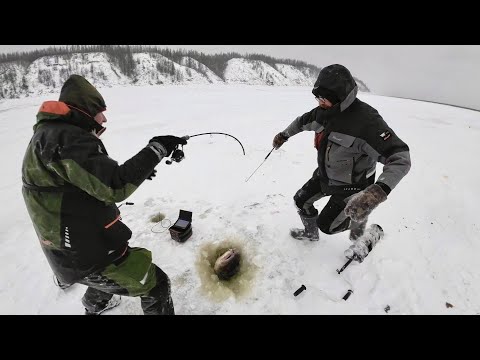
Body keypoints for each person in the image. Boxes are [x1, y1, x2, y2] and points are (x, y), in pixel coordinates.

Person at [22, 74, 187, 315]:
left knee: (105, 275)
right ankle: (96, 304)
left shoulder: (49, 135)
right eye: (100, 110)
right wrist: (157, 148)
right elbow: (113, 185)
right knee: (156, 285)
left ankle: (96, 305)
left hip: (72, 247)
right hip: (84, 253)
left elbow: (88, 180)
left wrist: (139, 172)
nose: (104, 117)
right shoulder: (67, 137)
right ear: (86, 109)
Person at [272, 64, 411, 259]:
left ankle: (362, 223)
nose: (319, 102)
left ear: (340, 97)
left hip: (354, 187)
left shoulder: (366, 122)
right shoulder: (322, 112)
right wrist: (284, 135)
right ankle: (311, 235)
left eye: (324, 98)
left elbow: (400, 157)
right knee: (301, 202)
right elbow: (301, 122)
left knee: (327, 225)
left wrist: (375, 193)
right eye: (317, 97)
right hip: (325, 175)